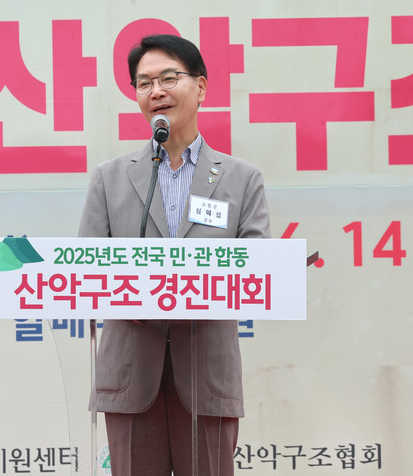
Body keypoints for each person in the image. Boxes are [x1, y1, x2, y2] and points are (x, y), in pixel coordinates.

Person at [79, 34, 270, 476]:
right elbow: (87, 268)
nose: (156, 92)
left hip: (206, 373)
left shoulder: (241, 179)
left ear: (200, 87)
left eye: (168, 78)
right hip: (130, 372)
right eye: (144, 83)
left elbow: (256, 270)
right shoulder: (110, 178)